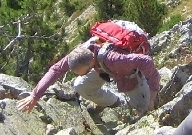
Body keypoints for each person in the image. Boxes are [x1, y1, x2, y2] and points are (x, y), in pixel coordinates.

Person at [19, 35, 161, 115]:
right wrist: (35, 95)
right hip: (102, 67)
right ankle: (115, 102)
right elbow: (55, 70)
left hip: (129, 73)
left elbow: (145, 61)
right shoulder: (80, 54)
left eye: (85, 72)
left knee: (145, 110)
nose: (84, 74)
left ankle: (146, 97)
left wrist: (153, 92)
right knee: (81, 85)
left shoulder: (113, 59)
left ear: (92, 61)